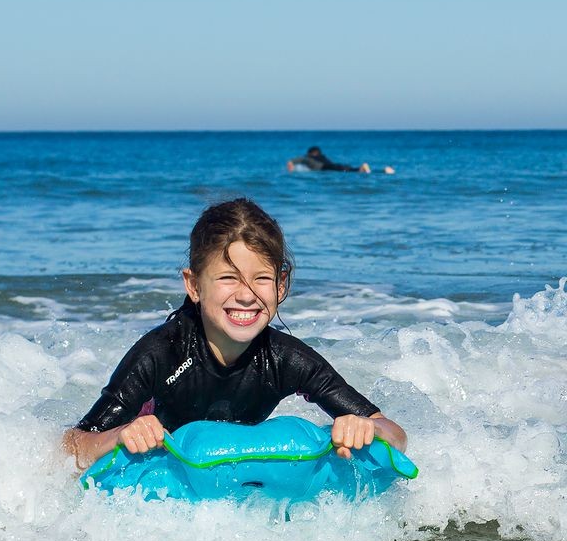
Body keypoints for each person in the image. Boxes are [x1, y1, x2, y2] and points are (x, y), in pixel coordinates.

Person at [63, 198, 407, 470]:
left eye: (261, 279)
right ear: (194, 285)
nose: (245, 294)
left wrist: (367, 429)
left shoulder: (285, 359)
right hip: (160, 469)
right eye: (228, 278)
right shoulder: (161, 353)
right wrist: (122, 434)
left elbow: (396, 434)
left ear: (280, 285)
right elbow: (72, 445)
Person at [287, 146, 395, 175]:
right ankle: (383, 171)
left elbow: (296, 160)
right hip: (335, 165)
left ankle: (365, 169)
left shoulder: (308, 158)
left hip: (327, 168)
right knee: (351, 170)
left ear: (311, 153)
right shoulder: (323, 156)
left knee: (353, 171)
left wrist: (290, 165)